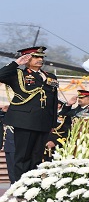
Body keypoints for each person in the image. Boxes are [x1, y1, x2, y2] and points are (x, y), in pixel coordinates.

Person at [0, 46, 59, 182]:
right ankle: (20, 186)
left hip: (43, 122)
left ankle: (32, 185)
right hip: (25, 121)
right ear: (26, 59)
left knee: (37, 156)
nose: (40, 59)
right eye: (36, 57)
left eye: (41, 57)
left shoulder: (50, 77)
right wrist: (17, 63)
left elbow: (53, 101)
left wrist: (52, 123)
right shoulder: (18, 74)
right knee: (23, 156)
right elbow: (1, 75)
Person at [44, 90, 89, 161]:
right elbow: (63, 117)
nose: (79, 99)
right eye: (79, 97)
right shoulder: (75, 110)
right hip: (71, 138)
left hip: (85, 139)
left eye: (82, 98)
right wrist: (68, 105)